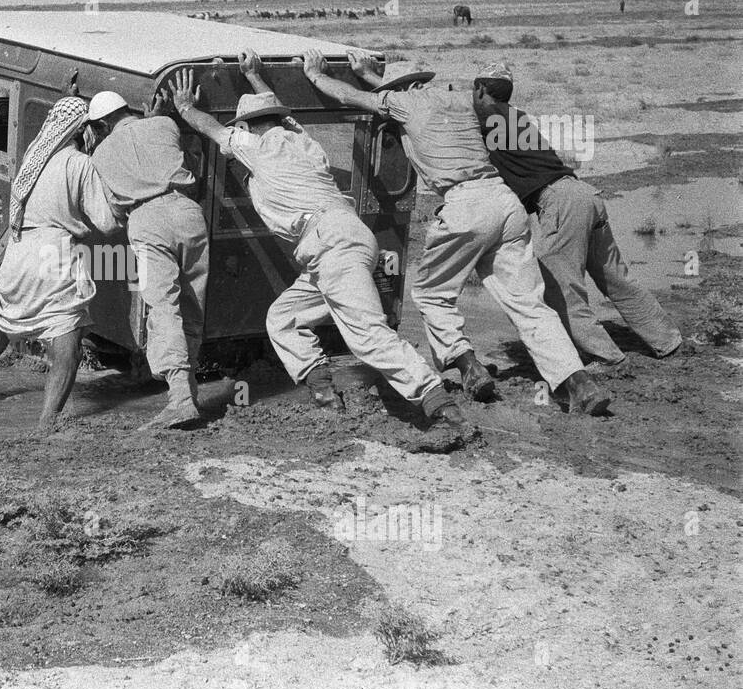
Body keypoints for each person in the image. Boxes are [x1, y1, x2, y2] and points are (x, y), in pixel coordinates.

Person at [300, 50, 612, 416]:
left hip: (466, 204)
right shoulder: (460, 100)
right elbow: (398, 94)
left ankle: (468, 366)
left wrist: (316, 75)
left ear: (399, 89)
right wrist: (371, 74)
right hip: (505, 204)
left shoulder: (405, 103)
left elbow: (349, 97)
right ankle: (578, 382)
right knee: (529, 304)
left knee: (431, 293)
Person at [167, 54, 468, 431]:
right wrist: (254, 77)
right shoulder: (304, 143)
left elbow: (213, 131)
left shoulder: (259, 146)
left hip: (329, 244)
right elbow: (286, 115)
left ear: (251, 126)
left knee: (367, 335)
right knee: (283, 319)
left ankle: (436, 399)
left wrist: (184, 108)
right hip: (341, 238)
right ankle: (323, 391)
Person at [473, 62, 682, 364]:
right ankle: (668, 341)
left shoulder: (489, 117)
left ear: (480, 89)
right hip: (583, 194)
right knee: (616, 280)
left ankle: (607, 358)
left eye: (473, 90)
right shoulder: (517, 118)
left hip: (560, 202)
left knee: (560, 288)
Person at [0, 97, 119, 427]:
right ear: (83, 130)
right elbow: (107, 222)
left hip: (17, 253)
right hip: (53, 253)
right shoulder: (78, 163)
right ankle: (47, 424)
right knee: (66, 345)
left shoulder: (35, 156)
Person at [88, 90, 208, 429]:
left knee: (163, 305)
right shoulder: (165, 124)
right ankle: (189, 390)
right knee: (191, 303)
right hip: (188, 212)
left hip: (147, 218)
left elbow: (112, 213)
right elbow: (167, 138)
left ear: (101, 124)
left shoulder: (100, 153)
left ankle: (181, 399)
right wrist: (155, 116)